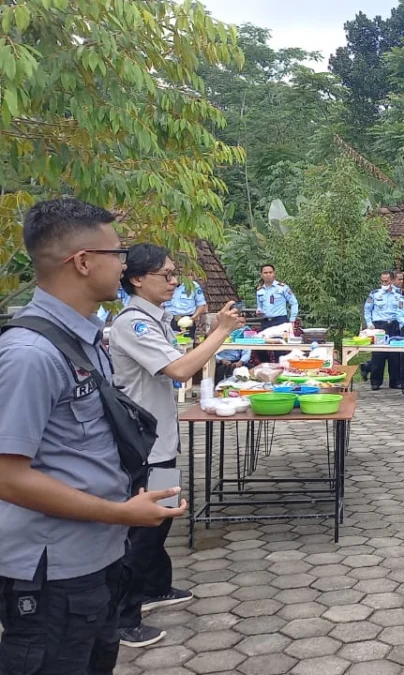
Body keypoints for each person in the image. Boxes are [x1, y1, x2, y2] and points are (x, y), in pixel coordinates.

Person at [0, 198, 186, 675]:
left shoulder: (84, 338)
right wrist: (119, 512)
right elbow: (8, 477)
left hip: (98, 555)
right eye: (117, 254)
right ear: (82, 262)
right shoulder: (31, 354)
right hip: (53, 573)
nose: (124, 264)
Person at [109, 244, 244, 648]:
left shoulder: (156, 319)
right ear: (136, 279)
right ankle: (121, 615)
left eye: (174, 274)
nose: (173, 282)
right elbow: (180, 369)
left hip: (161, 438)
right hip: (142, 446)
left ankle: (154, 587)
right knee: (143, 528)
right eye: (165, 275)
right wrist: (221, 330)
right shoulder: (133, 324)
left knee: (164, 515)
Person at [364, 271, 404, 391]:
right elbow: (367, 310)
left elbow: (401, 311)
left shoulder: (398, 294)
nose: (384, 283)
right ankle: (375, 381)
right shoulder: (375, 294)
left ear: (392, 281)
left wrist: (401, 325)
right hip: (379, 326)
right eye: (382, 281)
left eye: (386, 281)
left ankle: (395, 381)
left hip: (394, 325)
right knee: (378, 355)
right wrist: (369, 324)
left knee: (395, 355)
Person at [254, 263, 298, 363]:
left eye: (270, 272)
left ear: (274, 274)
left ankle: (281, 372)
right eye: (265, 273)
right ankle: (268, 367)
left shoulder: (282, 287)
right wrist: (259, 311)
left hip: (280, 321)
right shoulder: (259, 290)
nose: (268, 274)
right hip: (266, 321)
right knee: (259, 346)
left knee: (280, 349)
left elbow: (294, 303)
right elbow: (259, 306)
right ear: (261, 275)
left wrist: (292, 320)